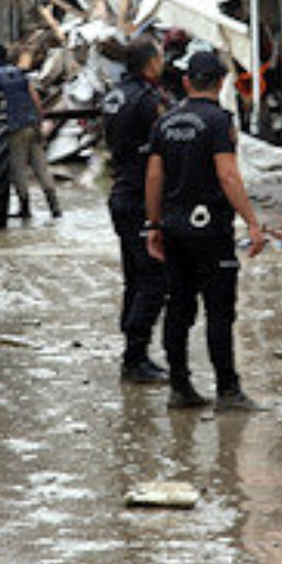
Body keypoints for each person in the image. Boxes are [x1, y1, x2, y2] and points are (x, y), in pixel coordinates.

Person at [144, 50, 267, 411]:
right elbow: (227, 174)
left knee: (179, 307)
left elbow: (154, 177)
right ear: (221, 81)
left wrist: (153, 225)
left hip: (174, 228)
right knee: (219, 310)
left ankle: (180, 387)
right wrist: (253, 222)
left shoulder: (164, 122)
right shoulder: (218, 122)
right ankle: (227, 391)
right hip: (211, 231)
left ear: (186, 82)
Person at [101, 39, 172, 384]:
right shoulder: (149, 100)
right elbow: (164, 149)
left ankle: (134, 350)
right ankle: (135, 355)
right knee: (154, 277)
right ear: (149, 63)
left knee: (135, 275)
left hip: (121, 191)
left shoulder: (114, 96)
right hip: (141, 195)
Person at [0, 43, 60, 218]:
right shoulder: (18, 73)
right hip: (32, 124)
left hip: (15, 128)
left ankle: (25, 208)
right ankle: (55, 208)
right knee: (41, 167)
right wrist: (39, 120)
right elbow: (35, 97)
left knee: (18, 169)